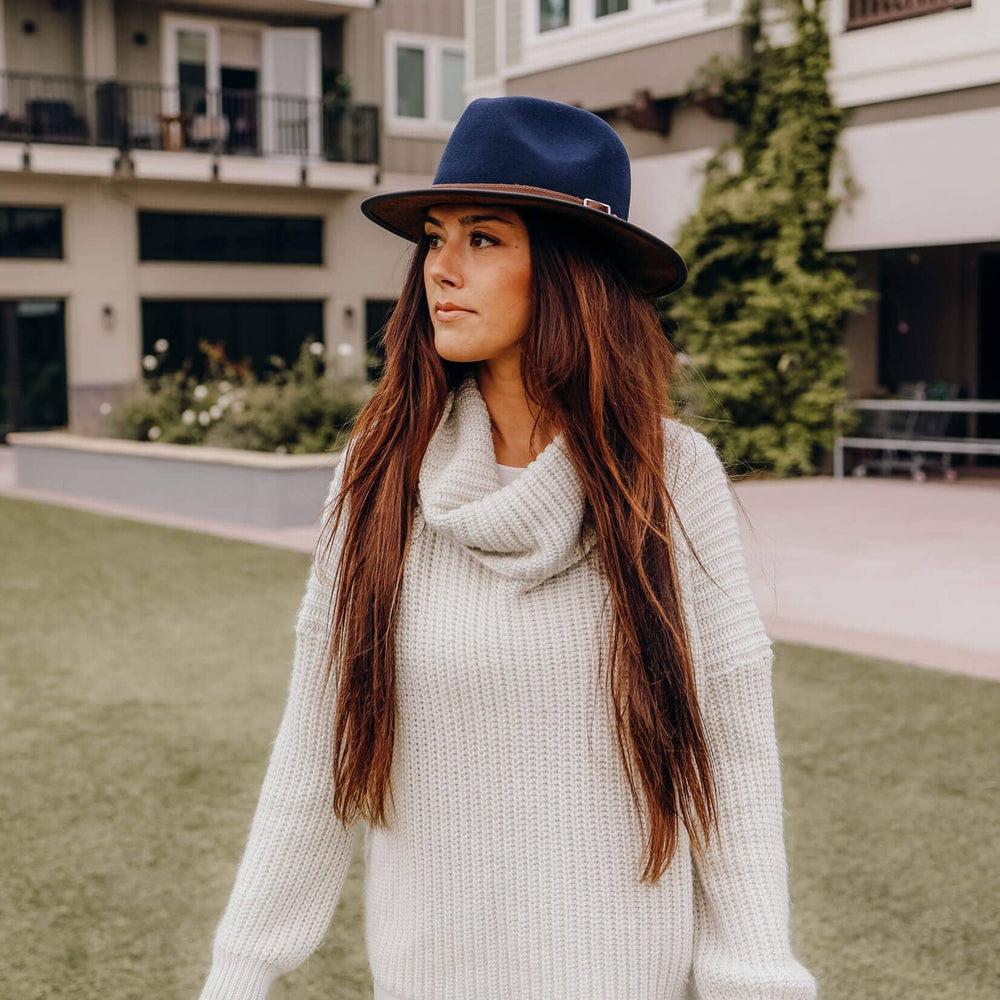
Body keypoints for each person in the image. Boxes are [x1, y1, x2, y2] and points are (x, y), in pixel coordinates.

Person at [197, 95, 818, 1000]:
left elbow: (729, 761)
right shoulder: (377, 476)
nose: (440, 270)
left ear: (570, 274)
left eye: (484, 239)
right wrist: (242, 968)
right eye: (435, 238)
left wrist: (756, 976)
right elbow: (315, 748)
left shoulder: (672, 477)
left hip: (624, 979)